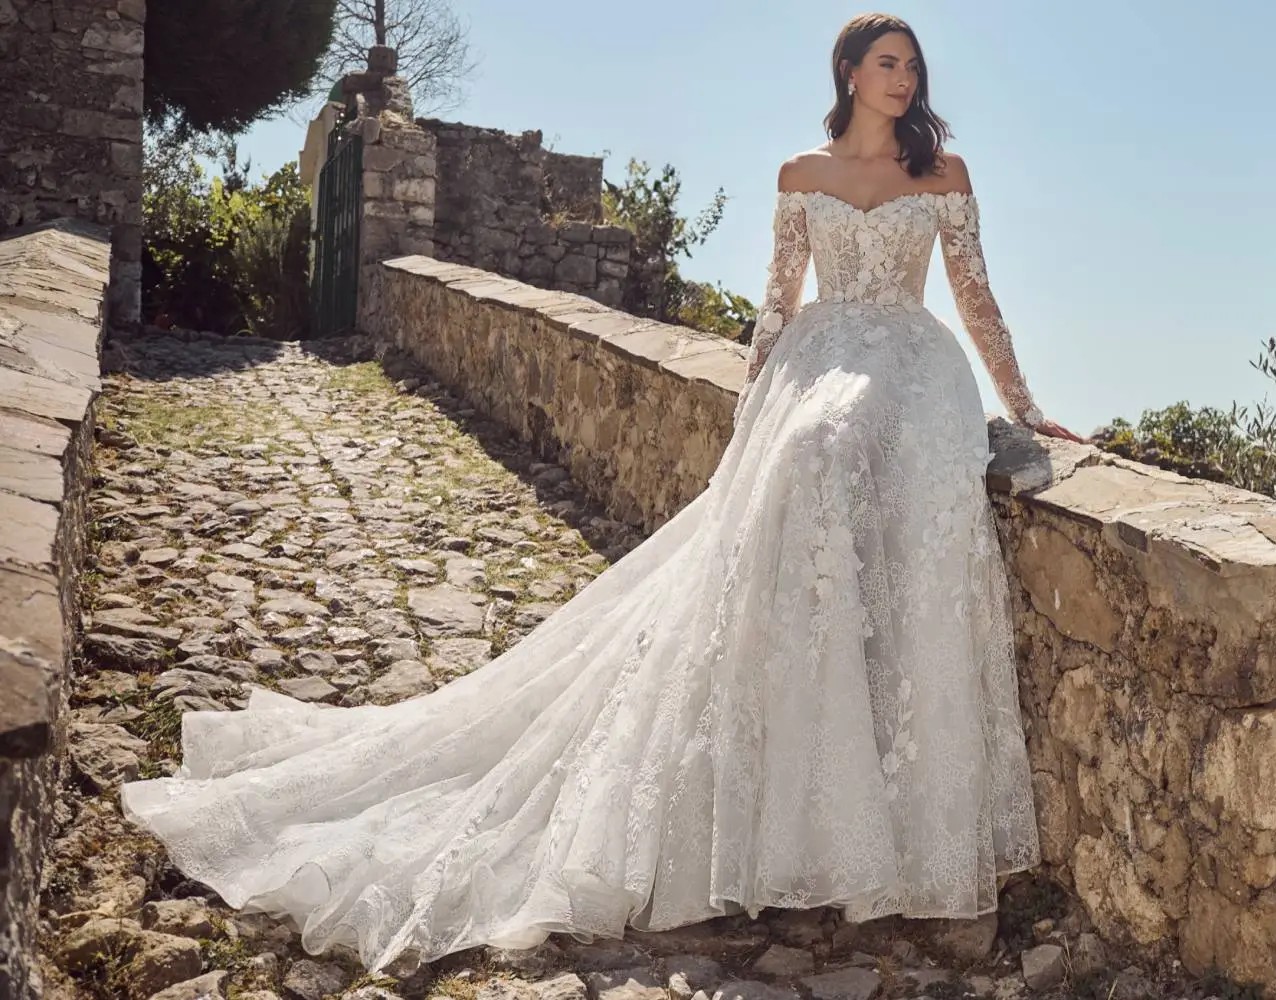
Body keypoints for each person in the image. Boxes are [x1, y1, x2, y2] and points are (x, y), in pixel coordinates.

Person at [119, 11, 1083, 974]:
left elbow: (976, 295)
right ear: (847, 71)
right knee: (810, 473)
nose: (904, 78)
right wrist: (752, 410)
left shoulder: (943, 176)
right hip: (817, 364)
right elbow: (778, 302)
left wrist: (1025, 408)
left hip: (916, 373)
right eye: (886, 63)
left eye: (912, 65)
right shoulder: (800, 174)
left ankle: (899, 841)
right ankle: (800, 829)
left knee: (904, 562)